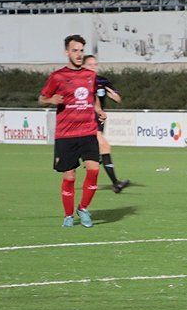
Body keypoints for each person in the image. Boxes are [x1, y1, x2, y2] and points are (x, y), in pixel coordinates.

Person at [39, 35, 105, 228]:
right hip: (66, 134)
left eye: (81, 51)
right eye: (74, 50)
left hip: (88, 131)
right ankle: (68, 215)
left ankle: (83, 208)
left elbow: (93, 97)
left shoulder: (90, 76)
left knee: (94, 169)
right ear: (67, 52)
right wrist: (52, 101)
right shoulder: (57, 76)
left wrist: (98, 110)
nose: (78, 54)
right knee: (70, 176)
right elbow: (42, 98)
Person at [82, 54, 130, 193]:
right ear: (84, 66)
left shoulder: (102, 81)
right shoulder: (80, 80)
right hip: (85, 117)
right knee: (104, 146)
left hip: (98, 118)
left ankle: (91, 160)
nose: (93, 67)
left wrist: (112, 94)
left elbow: (118, 98)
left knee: (98, 149)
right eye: (90, 64)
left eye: (95, 64)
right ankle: (115, 183)